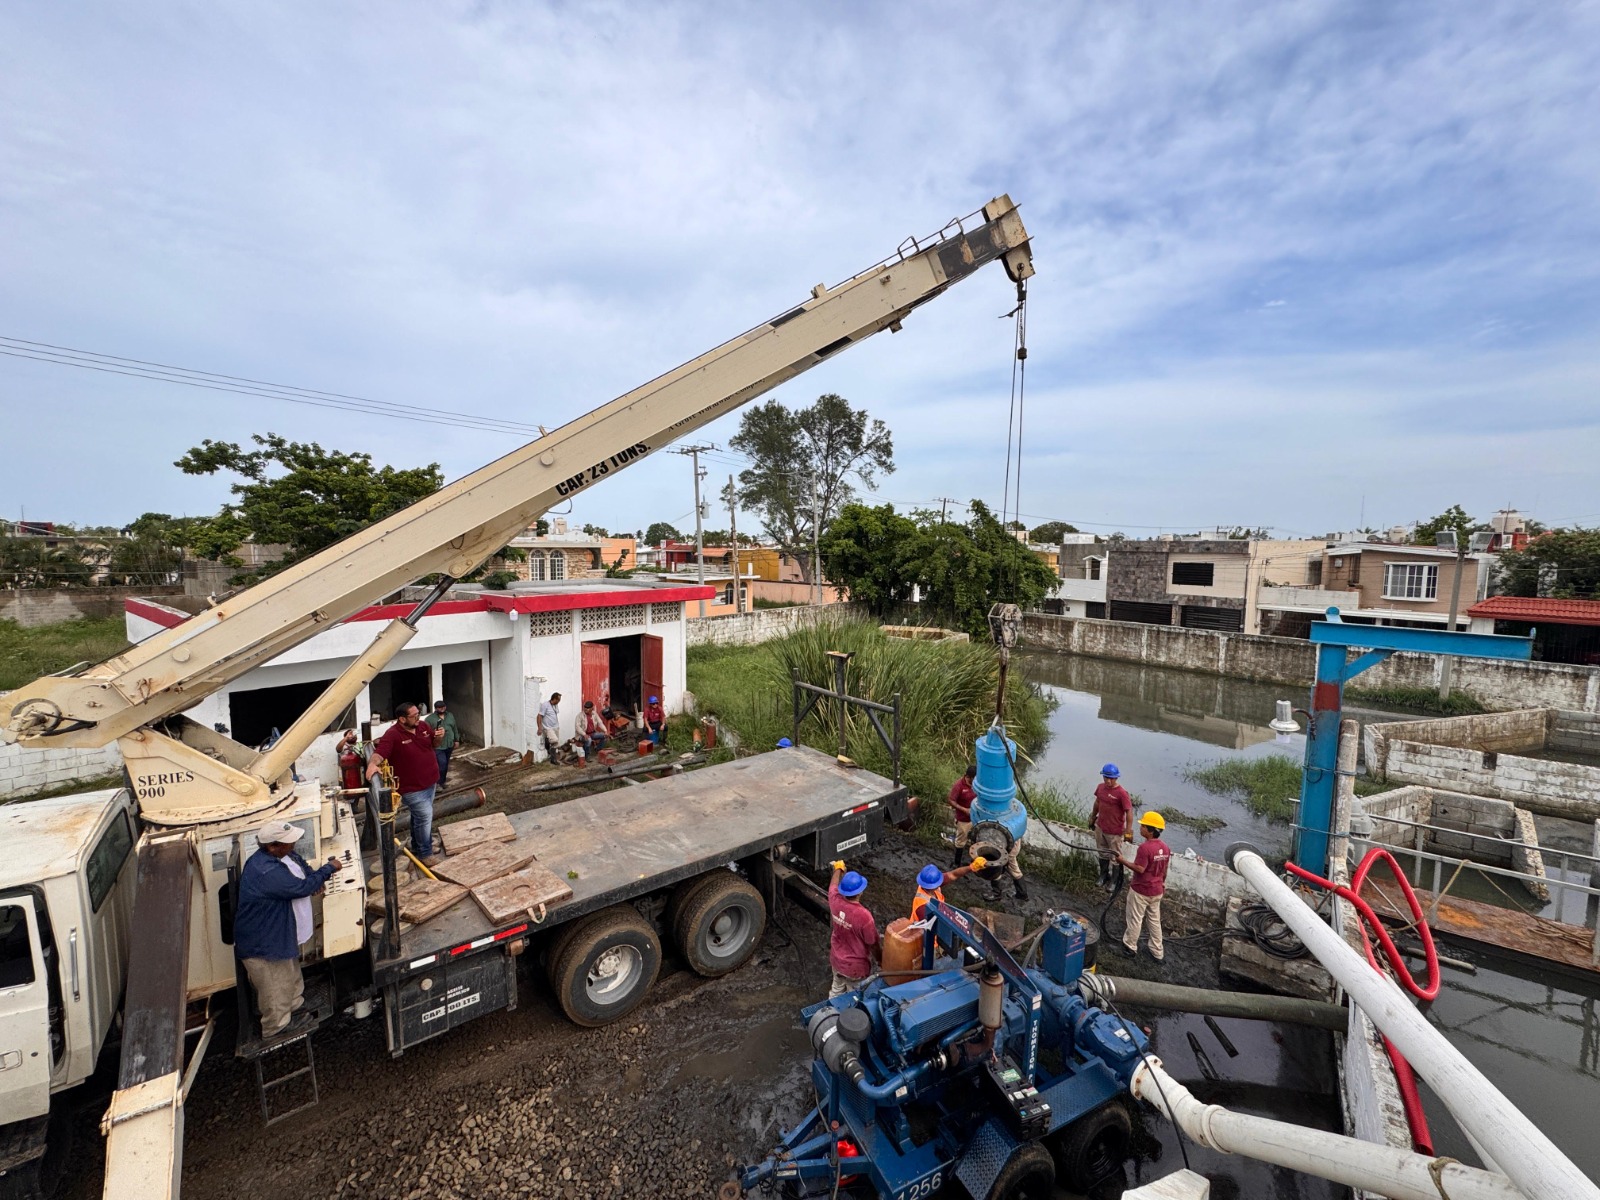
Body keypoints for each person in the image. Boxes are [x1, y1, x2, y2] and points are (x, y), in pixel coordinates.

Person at [234, 820, 343, 1037]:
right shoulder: (266, 871)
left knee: (289, 973)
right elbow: (301, 887)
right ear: (272, 846)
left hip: (279, 934)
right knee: (275, 984)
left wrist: (313, 877)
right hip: (264, 942)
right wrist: (328, 869)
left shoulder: (282, 855)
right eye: (288, 842)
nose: (294, 844)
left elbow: (301, 865)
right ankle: (277, 1025)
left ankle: (295, 1004)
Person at [367, 703, 440, 862]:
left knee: (419, 818)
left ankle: (417, 845)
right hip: (412, 789)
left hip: (431, 781)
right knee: (425, 817)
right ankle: (425, 853)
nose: (418, 717)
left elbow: (434, 744)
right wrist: (372, 764)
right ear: (402, 719)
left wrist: (439, 737)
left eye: (418, 713)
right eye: (414, 715)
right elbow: (380, 753)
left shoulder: (423, 726)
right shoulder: (393, 734)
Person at [1117, 812, 1173, 963]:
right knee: (1154, 921)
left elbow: (1140, 869)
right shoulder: (1165, 847)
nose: (1140, 828)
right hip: (1157, 890)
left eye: (1143, 826)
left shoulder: (1145, 848)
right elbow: (1164, 870)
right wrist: (1162, 884)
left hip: (1141, 890)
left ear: (1150, 830)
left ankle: (1130, 947)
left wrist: (1122, 860)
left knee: (1135, 919)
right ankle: (1157, 952)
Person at [827, 859, 880, 998]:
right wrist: (880, 960)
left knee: (836, 991)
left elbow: (833, 885)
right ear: (860, 892)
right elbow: (873, 944)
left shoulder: (834, 900)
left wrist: (838, 869)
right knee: (854, 997)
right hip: (856, 968)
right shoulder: (864, 916)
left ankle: (829, 1009)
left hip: (837, 960)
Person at [1091, 763, 1133, 890]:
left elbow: (1129, 812)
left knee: (1115, 857)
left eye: (1111, 778)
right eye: (1106, 778)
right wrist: (1093, 817)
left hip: (1115, 832)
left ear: (1116, 778)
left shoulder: (1122, 793)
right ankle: (1103, 876)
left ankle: (1114, 881)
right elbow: (1097, 803)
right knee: (1102, 852)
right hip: (1101, 827)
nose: (1108, 781)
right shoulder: (1100, 788)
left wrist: (1128, 831)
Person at [909, 858, 987, 921]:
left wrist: (971, 867)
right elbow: (931, 928)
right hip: (921, 931)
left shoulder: (928, 884)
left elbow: (953, 874)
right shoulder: (922, 907)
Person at [948, 765, 977, 867]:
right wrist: (964, 810)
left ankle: (975, 863)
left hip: (976, 818)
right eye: (974, 779)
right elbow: (951, 800)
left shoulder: (977, 784)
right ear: (968, 777)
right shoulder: (959, 786)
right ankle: (957, 863)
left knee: (976, 839)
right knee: (961, 841)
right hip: (963, 819)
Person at [426, 699, 460, 787]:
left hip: (449, 744)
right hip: (438, 746)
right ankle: (437, 784)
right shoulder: (429, 719)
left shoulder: (450, 715)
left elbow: (454, 728)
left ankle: (442, 782)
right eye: (439, 708)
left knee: (446, 764)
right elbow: (426, 733)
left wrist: (456, 740)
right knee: (442, 764)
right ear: (436, 708)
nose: (442, 709)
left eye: (443, 707)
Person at [538, 692, 563, 759]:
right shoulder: (545, 705)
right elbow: (539, 716)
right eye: (558, 700)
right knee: (554, 740)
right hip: (548, 728)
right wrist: (539, 727)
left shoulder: (555, 705)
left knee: (556, 744)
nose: (559, 701)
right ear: (554, 699)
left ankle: (553, 758)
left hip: (556, 727)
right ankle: (547, 742)